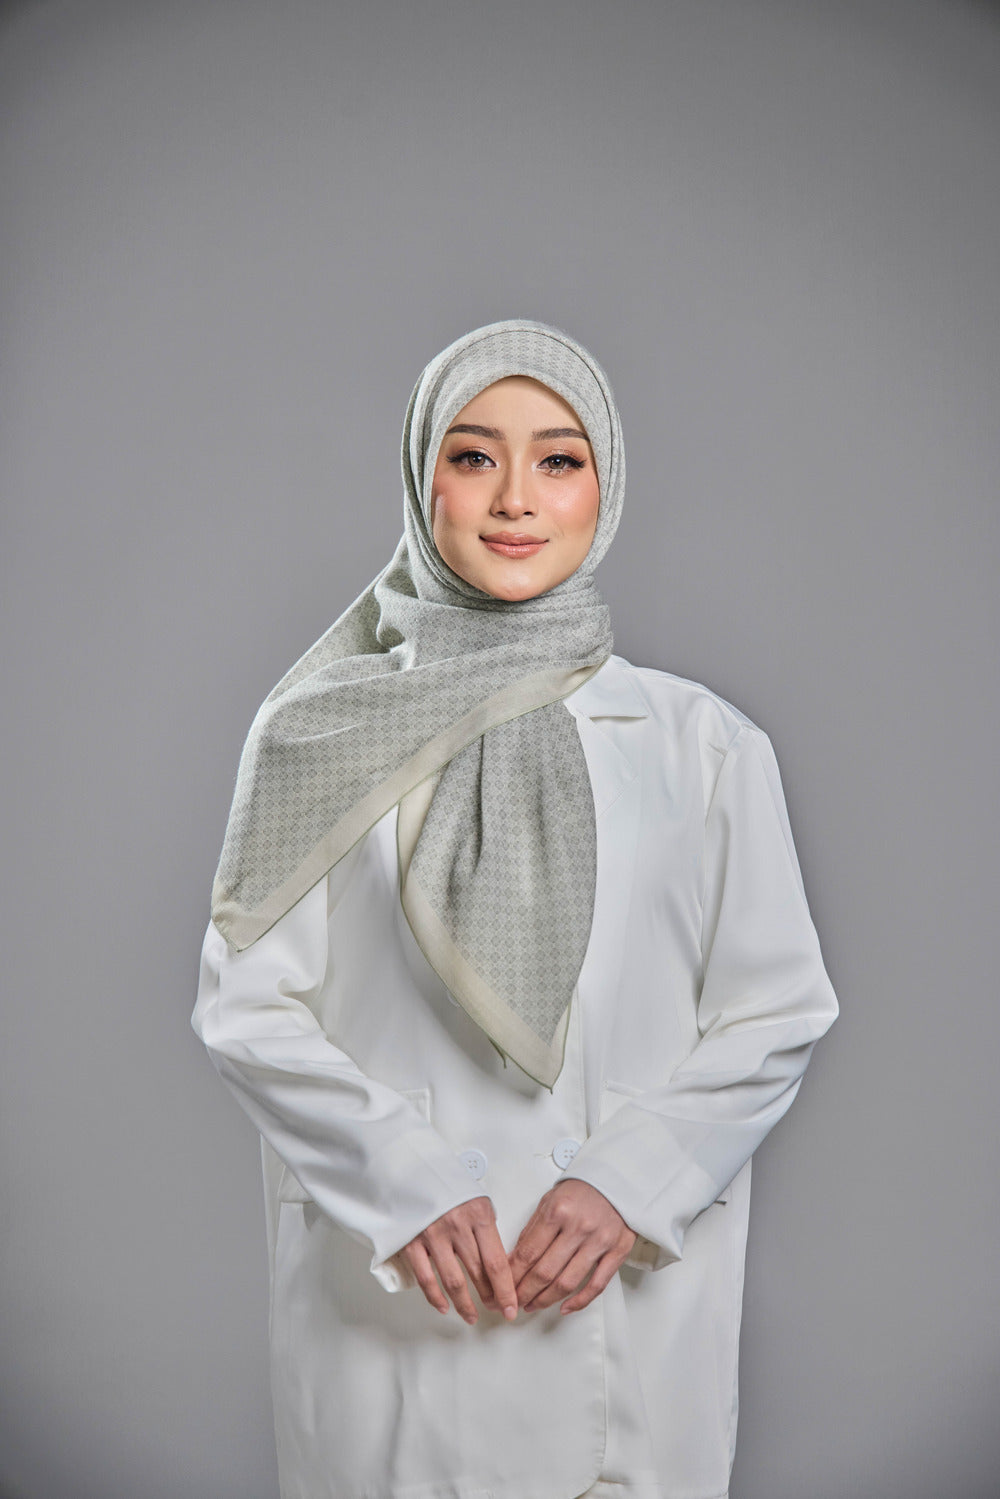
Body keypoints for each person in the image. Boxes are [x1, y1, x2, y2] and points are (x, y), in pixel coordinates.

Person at [192, 318, 839, 1499]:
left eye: (558, 459)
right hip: (398, 1307)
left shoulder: (702, 744)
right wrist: (404, 1176)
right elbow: (246, 1008)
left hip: (621, 1311)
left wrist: (628, 1181)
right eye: (473, 455)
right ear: (420, 476)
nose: (514, 499)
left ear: (605, 486)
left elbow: (775, 1009)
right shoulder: (316, 732)